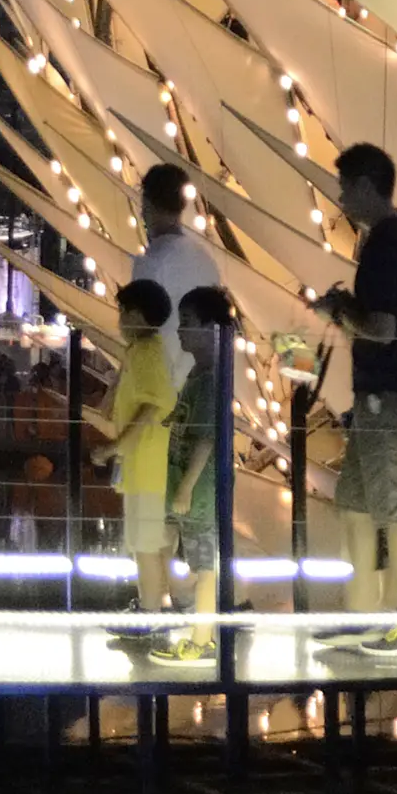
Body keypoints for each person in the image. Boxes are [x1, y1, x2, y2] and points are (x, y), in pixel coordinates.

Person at [319, 144, 397, 653]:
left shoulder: (386, 246)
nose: (341, 197)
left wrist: (342, 310)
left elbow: (384, 329)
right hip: (391, 390)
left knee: (394, 506)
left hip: (389, 392)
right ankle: (363, 612)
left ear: (368, 185)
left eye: (346, 187)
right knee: (355, 502)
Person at [155, 282, 235, 665]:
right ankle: (200, 633)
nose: (181, 330)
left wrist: (185, 486)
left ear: (209, 328)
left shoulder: (209, 380)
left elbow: (205, 438)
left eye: (187, 322)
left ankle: (203, 640)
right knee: (200, 564)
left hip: (200, 492)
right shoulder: (199, 375)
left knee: (206, 567)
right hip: (191, 490)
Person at [104, 277, 182, 635]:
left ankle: (149, 612)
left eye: (122, 312)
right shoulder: (143, 351)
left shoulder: (148, 351)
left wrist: (116, 445)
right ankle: (160, 607)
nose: (118, 320)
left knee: (145, 545)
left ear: (136, 315)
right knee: (152, 543)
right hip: (145, 468)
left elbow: (152, 405)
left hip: (147, 467)